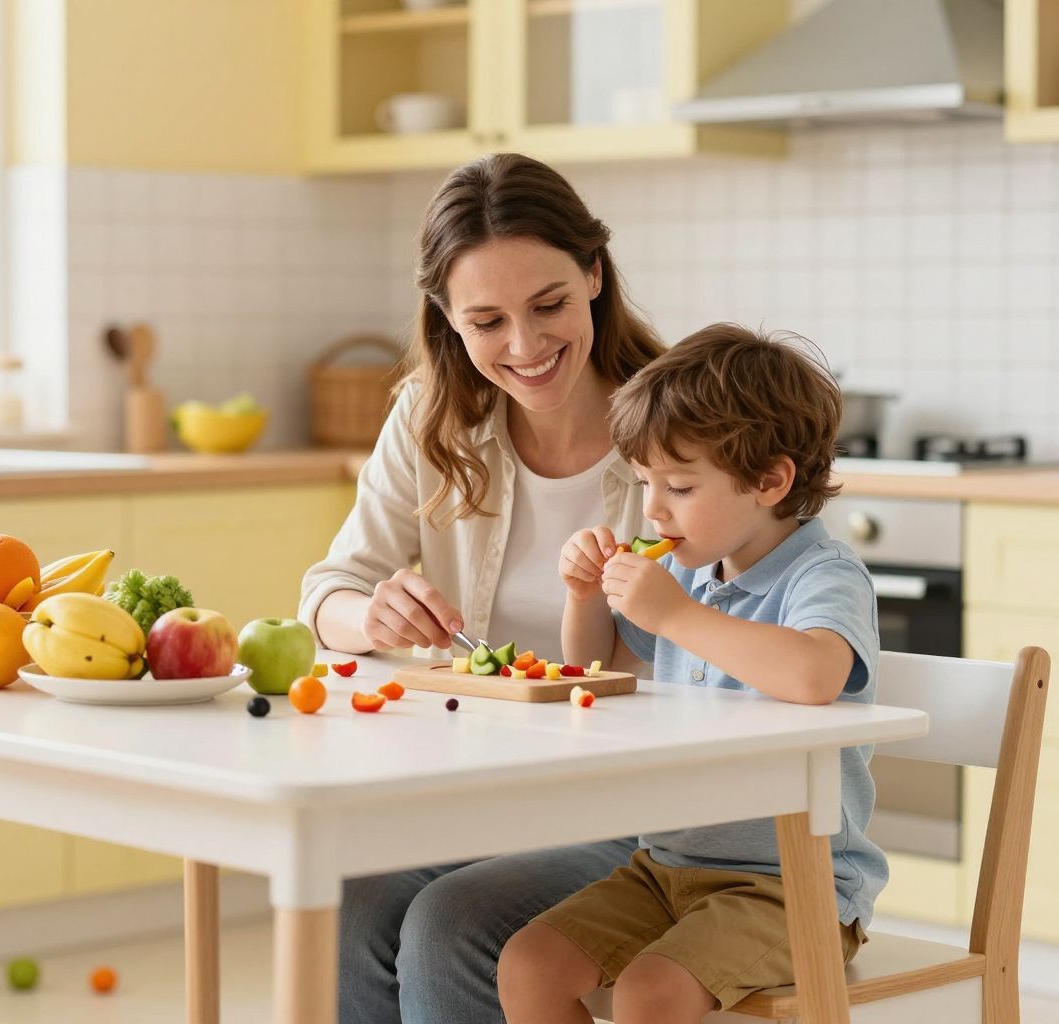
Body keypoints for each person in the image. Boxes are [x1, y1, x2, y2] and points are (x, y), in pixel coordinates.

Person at [297, 153, 664, 1024]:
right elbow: (329, 588)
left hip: (650, 802)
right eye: (488, 321)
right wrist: (370, 611)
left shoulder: (684, 420)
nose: (526, 348)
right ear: (447, 320)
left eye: (549, 307)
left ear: (595, 275)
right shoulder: (432, 416)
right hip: (487, 789)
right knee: (350, 903)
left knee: (451, 925)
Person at [497, 323, 883, 1024]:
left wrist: (675, 616)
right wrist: (584, 595)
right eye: (645, 483)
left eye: (678, 485)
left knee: (651, 991)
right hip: (666, 869)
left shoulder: (821, 575)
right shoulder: (686, 573)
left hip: (793, 885)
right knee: (531, 965)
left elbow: (814, 675)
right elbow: (592, 670)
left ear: (770, 480)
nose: (652, 509)